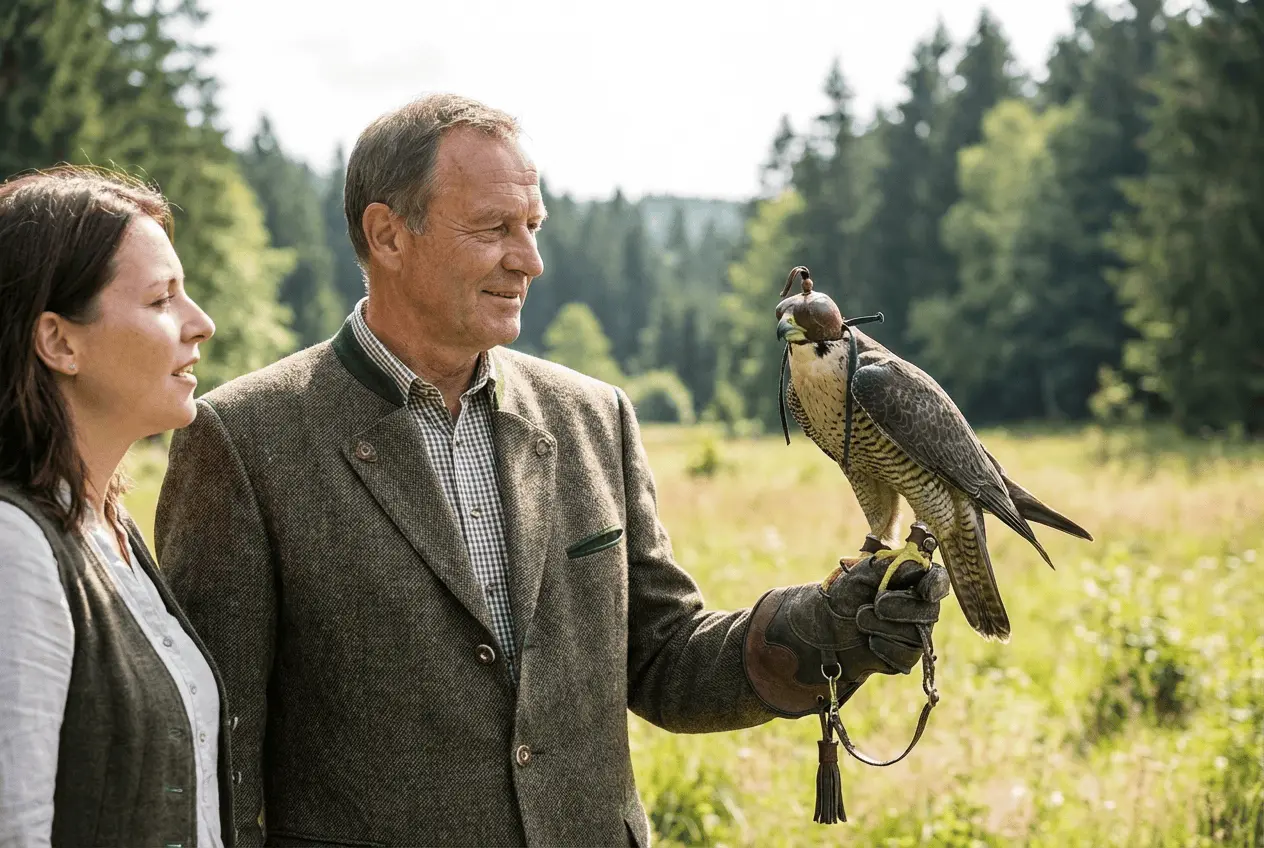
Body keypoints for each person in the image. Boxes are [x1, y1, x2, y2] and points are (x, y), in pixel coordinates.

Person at [155, 94, 949, 848]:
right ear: (389, 235)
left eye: (534, 225)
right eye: (494, 227)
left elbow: (665, 658)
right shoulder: (243, 439)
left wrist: (826, 626)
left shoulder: (593, 415)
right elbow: (214, 753)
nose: (530, 259)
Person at [0, 167, 230, 847]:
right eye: (163, 299)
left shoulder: (114, 532)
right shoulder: (16, 547)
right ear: (59, 341)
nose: (202, 324)